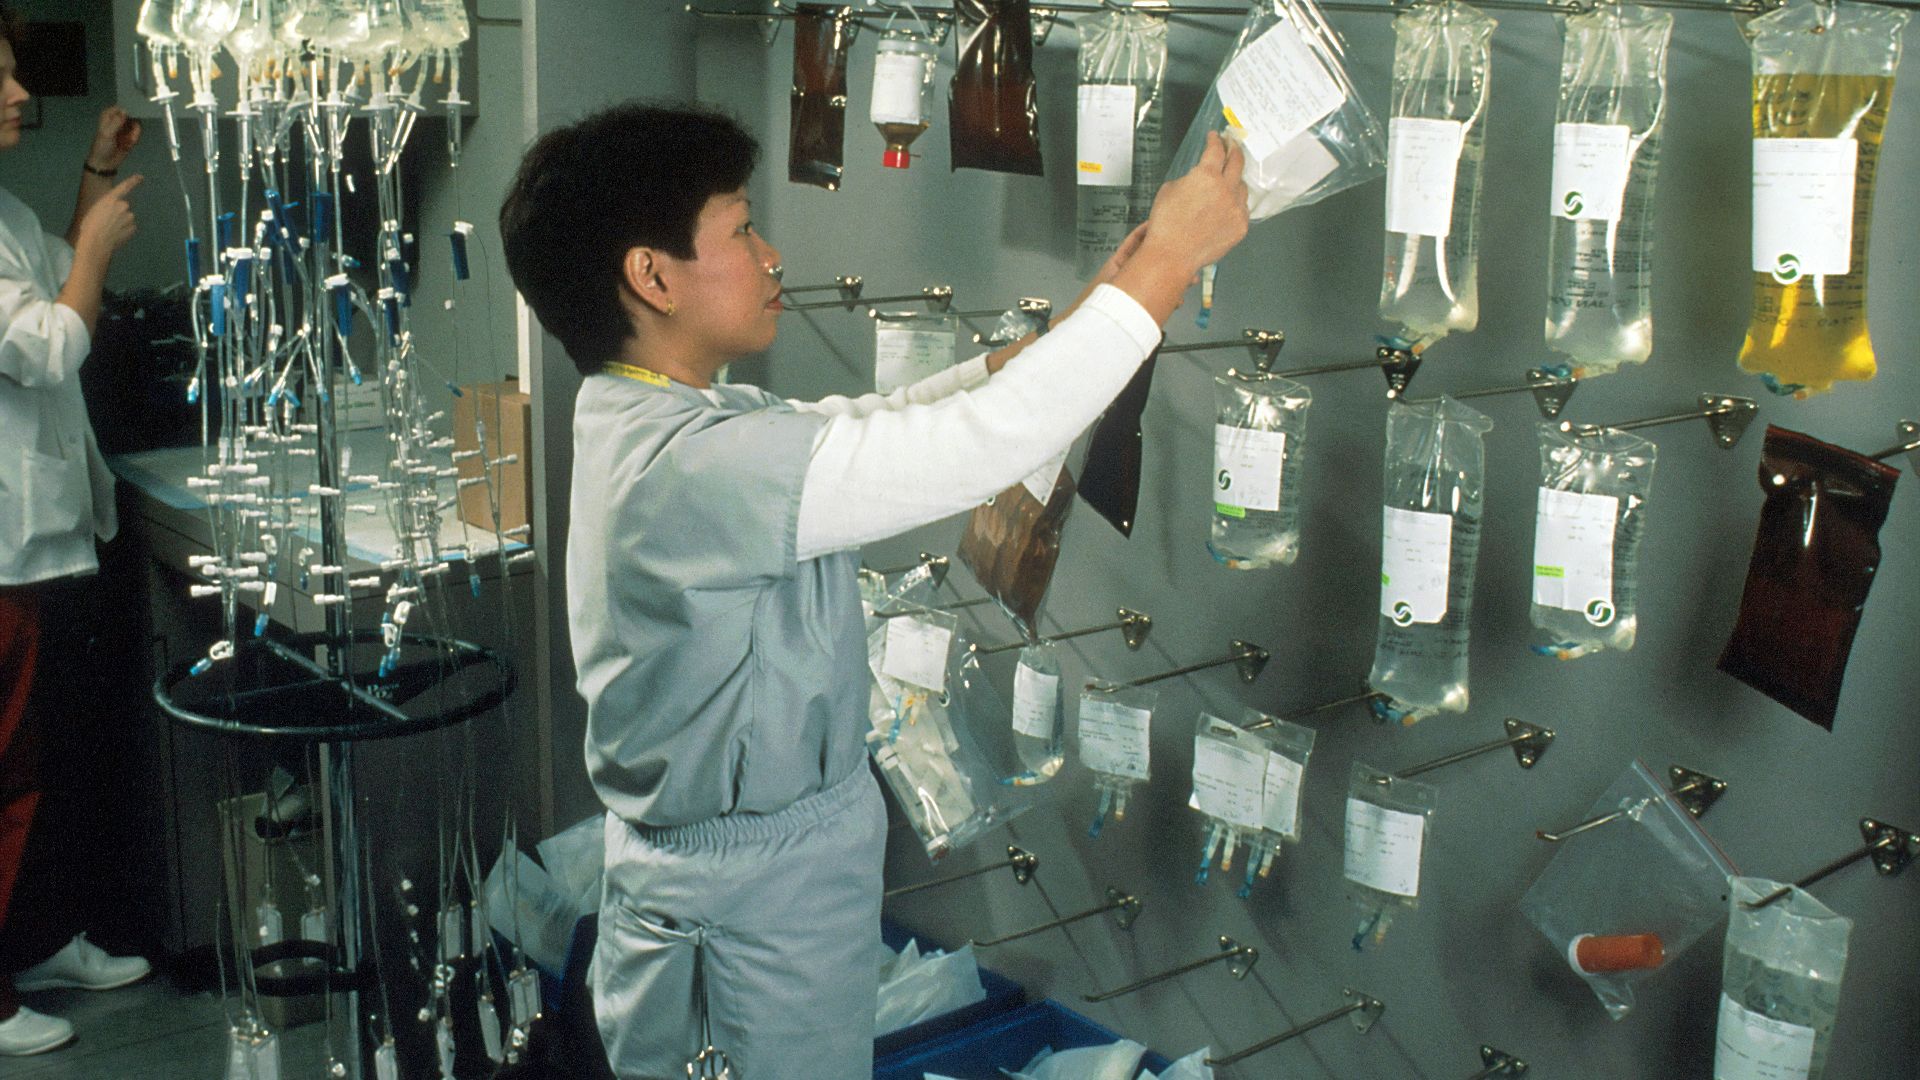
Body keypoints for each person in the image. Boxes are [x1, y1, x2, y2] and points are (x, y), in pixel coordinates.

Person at [500, 101, 1247, 1079]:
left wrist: (1069, 329)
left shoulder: (681, 417)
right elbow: (965, 450)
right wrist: (1165, 270)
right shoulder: (690, 467)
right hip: (743, 911)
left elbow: (875, 420)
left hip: (776, 882)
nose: (771, 256)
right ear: (652, 276)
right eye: (741, 230)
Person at [0, 8, 154, 1058]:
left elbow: (57, 273)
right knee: (1, 768)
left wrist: (96, 176)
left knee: (39, 758)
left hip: (38, 535)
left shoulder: (3, 204)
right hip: (2, 551)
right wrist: (95, 248)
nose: (21, 95)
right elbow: (52, 343)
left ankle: (37, 940)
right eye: (1, 79)